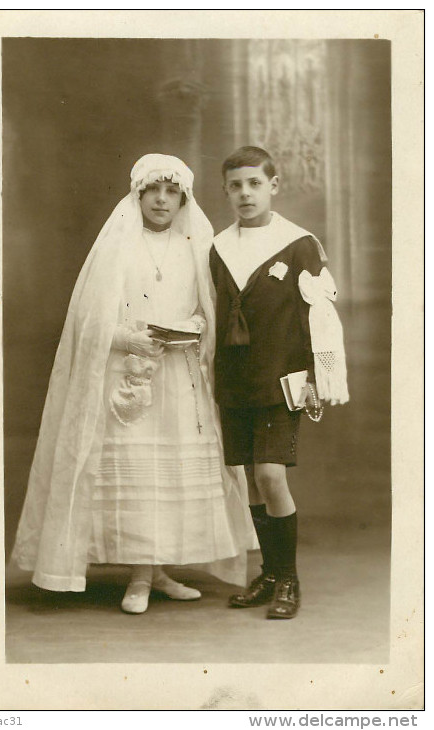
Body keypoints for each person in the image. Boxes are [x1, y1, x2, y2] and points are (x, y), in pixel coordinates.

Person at [12, 153, 252, 614]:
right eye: (153, 191)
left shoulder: (196, 247)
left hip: (179, 379)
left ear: (184, 197)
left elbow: (211, 313)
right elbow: (90, 320)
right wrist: (129, 338)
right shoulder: (117, 246)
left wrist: (195, 329)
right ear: (138, 194)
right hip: (128, 379)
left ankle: (156, 571)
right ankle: (140, 577)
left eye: (172, 192)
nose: (162, 200)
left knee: (170, 476)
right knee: (137, 472)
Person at [209, 146, 349, 619]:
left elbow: (322, 316)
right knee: (249, 477)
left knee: (271, 475)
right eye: (236, 185)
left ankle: (288, 579)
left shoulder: (298, 242)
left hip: (281, 377)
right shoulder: (219, 245)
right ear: (226, 191)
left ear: (274, 184)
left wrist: (318, 376)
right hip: (234, 377)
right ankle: (268, 573)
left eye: (254, 183)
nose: (245, 193)